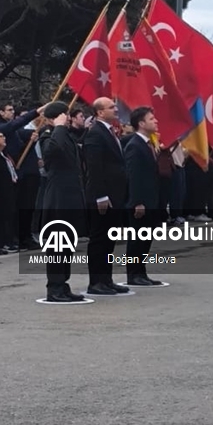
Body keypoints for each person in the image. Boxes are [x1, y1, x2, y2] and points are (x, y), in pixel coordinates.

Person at [38, 102, 87, 302]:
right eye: (65, 115)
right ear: (54, 117)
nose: (68, 118)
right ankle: (54, 287)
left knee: (67, 244)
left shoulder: (65, 134)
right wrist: (57, 127)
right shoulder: (48, 135)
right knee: (57, 244)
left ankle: (63, 284)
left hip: (70, 195)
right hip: (58, 196)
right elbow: (52, 152)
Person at [82, 97, 131, 295]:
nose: (116, 109)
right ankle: (96, 282)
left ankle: (107, 279)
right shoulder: (96, 133)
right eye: (111, 107)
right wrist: (100, 195)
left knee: (109, 240)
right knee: (99, 240)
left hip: (115, 194)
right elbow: (94, 167)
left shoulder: (110, 132)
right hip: (103, 196)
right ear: (100, 112)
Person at [123, 106, 166, 286]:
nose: (155, 121)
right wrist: (137, 202)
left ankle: (142, 272)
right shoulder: (135, 145)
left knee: (145, 238)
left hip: (151, 199)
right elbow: (134, 176)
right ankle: (133, 274)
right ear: (141, 124)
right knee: (137, 239)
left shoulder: (148, 143)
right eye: (151, 119)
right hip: (141, 202)